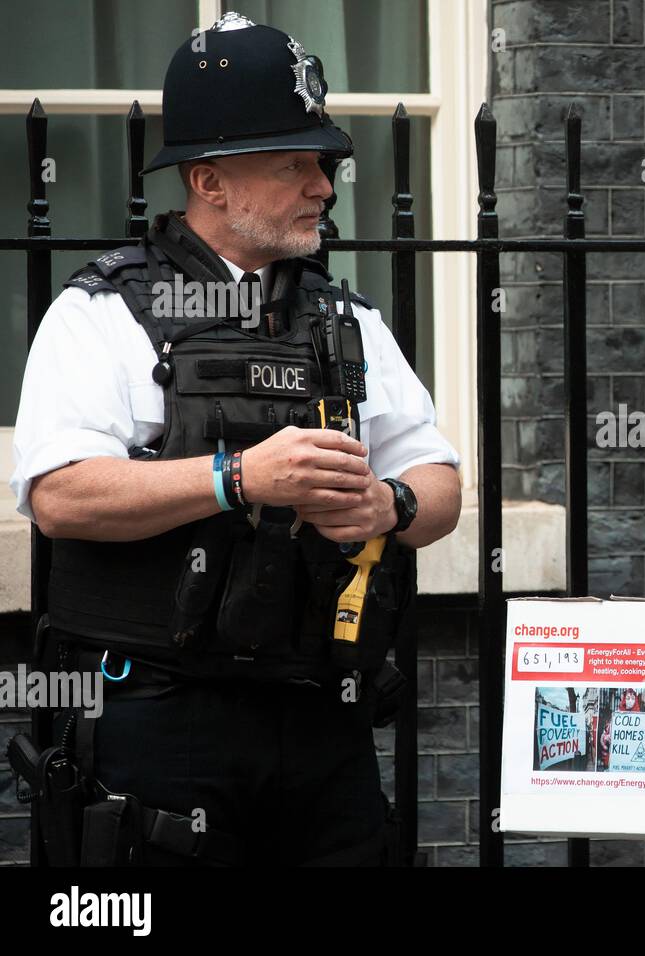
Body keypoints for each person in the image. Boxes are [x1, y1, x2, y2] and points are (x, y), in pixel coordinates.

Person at [8, 12, 461, 866]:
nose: (324, 186)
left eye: (323, 164)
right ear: (209, 181)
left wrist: (386, 503)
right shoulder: (104, 312)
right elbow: (60, 494)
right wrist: (238, 477)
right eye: (294, 164)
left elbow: (439, 479)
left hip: (323, 713)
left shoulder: (346, 319)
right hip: (157, 717)